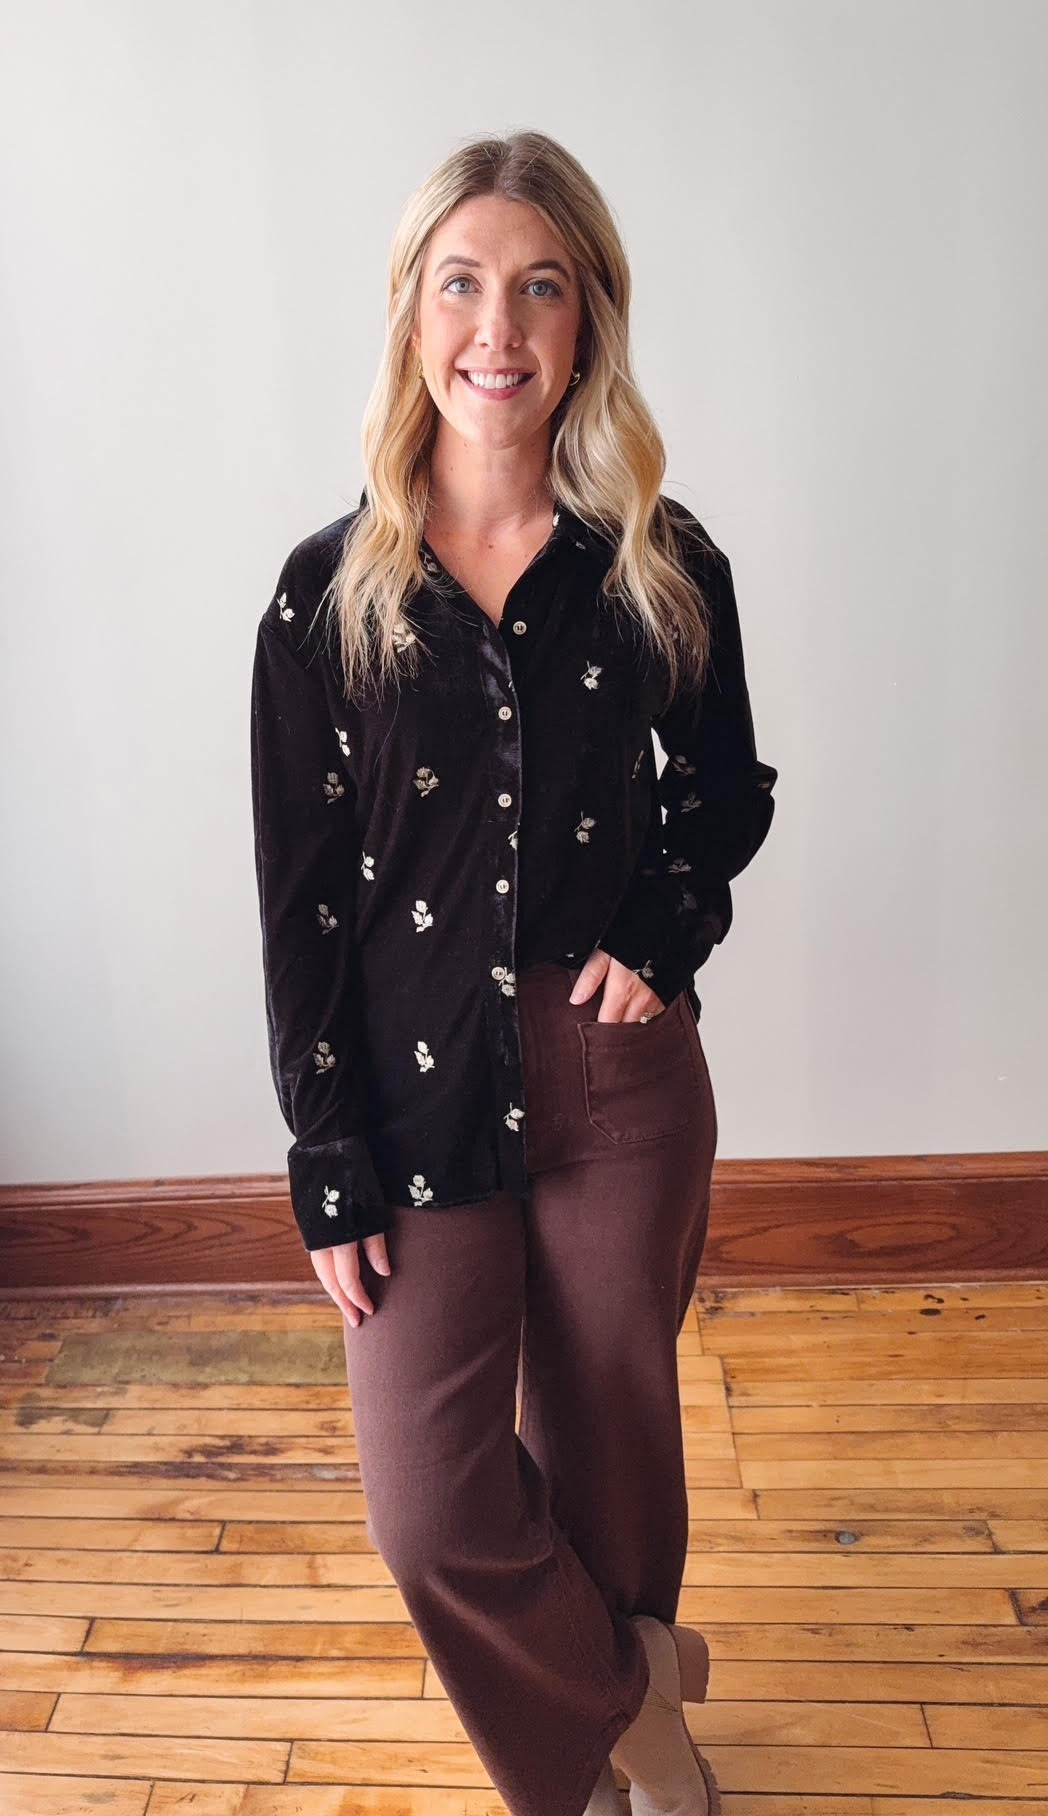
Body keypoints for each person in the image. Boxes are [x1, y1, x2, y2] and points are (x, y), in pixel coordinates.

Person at [250, 128, 776, 1816]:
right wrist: (323, 1160)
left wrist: (665, 926)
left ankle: (641, 1739)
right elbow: (304, 899)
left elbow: (729, 791)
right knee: (429, 1499)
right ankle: (631, 1693)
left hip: (618, 1083)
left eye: (542, 286)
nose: (501, 326)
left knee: (611, 1440)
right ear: (413, 318)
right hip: (411, 1094)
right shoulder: (323, 597)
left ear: (589, 322)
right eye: (464, 282)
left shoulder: (659, 563)